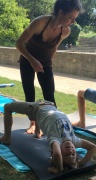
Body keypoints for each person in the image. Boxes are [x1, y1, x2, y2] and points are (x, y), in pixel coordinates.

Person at [16, 0, 83, 134]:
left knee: (49, 96)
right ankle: (33, 124)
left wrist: (49, 62)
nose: (73, 22)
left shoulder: (66, 31)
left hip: (45, 62)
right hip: (27, 59)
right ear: (61, 12)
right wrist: (32, 60)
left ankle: (55, 125)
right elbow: (19, 44)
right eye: (71, 17)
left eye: (75, 18)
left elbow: (54, 47)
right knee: (29, 93)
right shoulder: (39, 23)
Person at [0, 100, 96, 174]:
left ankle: (7, 137)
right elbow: (93, 148)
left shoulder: (56, 140)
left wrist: (59, 170)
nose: (70, 152)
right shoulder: (74, 140)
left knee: (7, 107)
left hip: (35, 108)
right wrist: (81, 164)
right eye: (73, 155)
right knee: (45, 120)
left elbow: (56, 154)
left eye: (66, 156)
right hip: (49, 106)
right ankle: (38, 131)